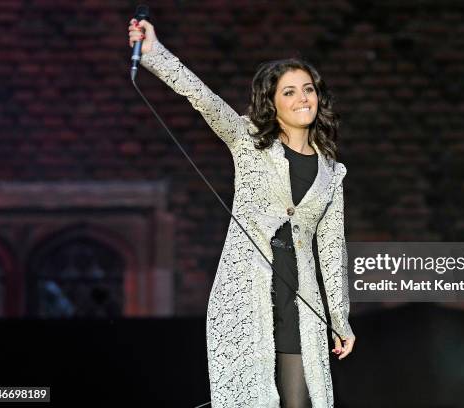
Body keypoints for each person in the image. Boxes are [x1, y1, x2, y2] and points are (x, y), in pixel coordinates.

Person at [128, 17, 356, 408]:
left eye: (308, 89)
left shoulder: (331, 172)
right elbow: (203, 98)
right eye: (290, 92)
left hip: (300, 302)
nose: (303, 98)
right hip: (247, 294)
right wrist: (155, 54)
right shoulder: (248, 141)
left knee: (300, 401)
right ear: (273, 103)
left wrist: (340, 317)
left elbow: (333, 249)